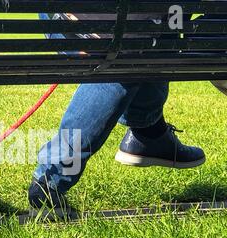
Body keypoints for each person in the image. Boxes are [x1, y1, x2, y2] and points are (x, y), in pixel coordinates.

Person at [28, 12, 206, 211]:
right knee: (130, 51)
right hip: (111, 32)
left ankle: (150, 133)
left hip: (65, 18)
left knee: (153, 38)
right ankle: (50, 180)